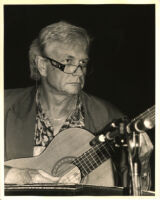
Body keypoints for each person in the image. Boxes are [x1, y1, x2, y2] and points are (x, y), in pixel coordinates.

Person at [4, 21, 153, 190]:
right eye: (68, 61)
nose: (79, 71)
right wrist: (19, 175)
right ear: (42, 66)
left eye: (82, 63)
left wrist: (143, 164)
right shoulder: (5, 105)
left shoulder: (111, 119)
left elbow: (136, 192)